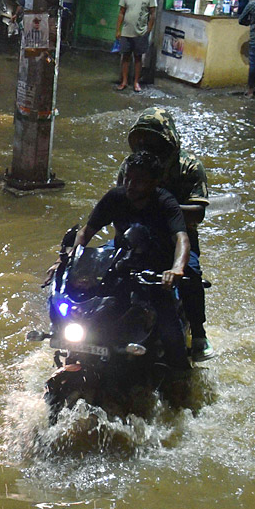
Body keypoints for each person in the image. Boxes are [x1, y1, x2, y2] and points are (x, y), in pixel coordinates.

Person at [74, 151, 192, 371]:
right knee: (86, 311)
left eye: (138, 181)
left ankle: (181, 379)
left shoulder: (165, 202)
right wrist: (70, 260)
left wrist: (176, 269)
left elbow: (182, 239)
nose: (130, 185)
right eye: (128, 178)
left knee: (168, 328)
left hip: (155, 274)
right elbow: (85, 232)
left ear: (154, 182)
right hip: (121, 267)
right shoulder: (115, 198)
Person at [116, 107, 213, 360]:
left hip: (179, 237)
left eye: (154, 140)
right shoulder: (132, 166)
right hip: (137, 234)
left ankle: (199, 334)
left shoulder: (189, 166)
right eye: (143, 141)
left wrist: (160, 209)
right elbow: (116, 204)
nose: (148, 146)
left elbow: (198, 213)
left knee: (191, 275)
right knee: (109, 269)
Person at [114, 0, 157, 93]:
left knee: (138, 58)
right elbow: (121, 13)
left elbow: (153, 14)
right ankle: (124, 81)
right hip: (126, 32)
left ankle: (136, 82)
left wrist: (149, 29)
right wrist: (118, 30)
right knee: (125, 57)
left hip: (141, 33)